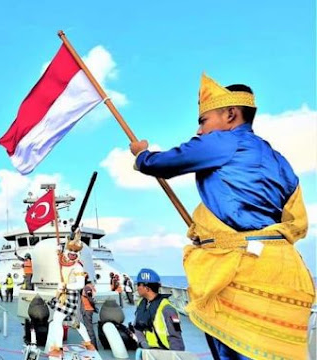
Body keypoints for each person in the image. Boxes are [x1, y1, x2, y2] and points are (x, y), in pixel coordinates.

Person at [129, 73, 314, 359]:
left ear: (230, 114)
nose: (201, 131)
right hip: (282, 268)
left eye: (203, 121)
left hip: (239, 271)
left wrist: (142, 155)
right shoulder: (279, 160)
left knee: (234, 350)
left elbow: (165, 163)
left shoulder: (224, 141)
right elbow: (295, 216)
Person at [45, 231, 96, 357]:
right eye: (70, 252)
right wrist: (58, 250)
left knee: (57, 320)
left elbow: (79, 285)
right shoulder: (64, 261)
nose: (72, 254)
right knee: (75, 322)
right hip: (65, 295)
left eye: (75, 253)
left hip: (70, 296)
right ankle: (89, 343)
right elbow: (60, 257)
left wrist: (65, 287)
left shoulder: (78, 267)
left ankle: (58, 348)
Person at [130, 268, 184, 351]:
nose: (137, 288)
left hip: (164, 352)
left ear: (147, 288)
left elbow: (176, 337)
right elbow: (137, 327)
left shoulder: (167, 309)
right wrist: (143, 343)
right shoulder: (141, 304)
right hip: (147, 351)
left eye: (138, 285)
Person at [81, 273, 99, 350]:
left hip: (87, 310)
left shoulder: (87, 287)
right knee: (89, 328)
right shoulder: (91, 287)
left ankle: (93, 346)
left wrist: (94, 307)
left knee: (89, 329)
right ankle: (91, 344)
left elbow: (90, 299)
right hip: (88, 309)